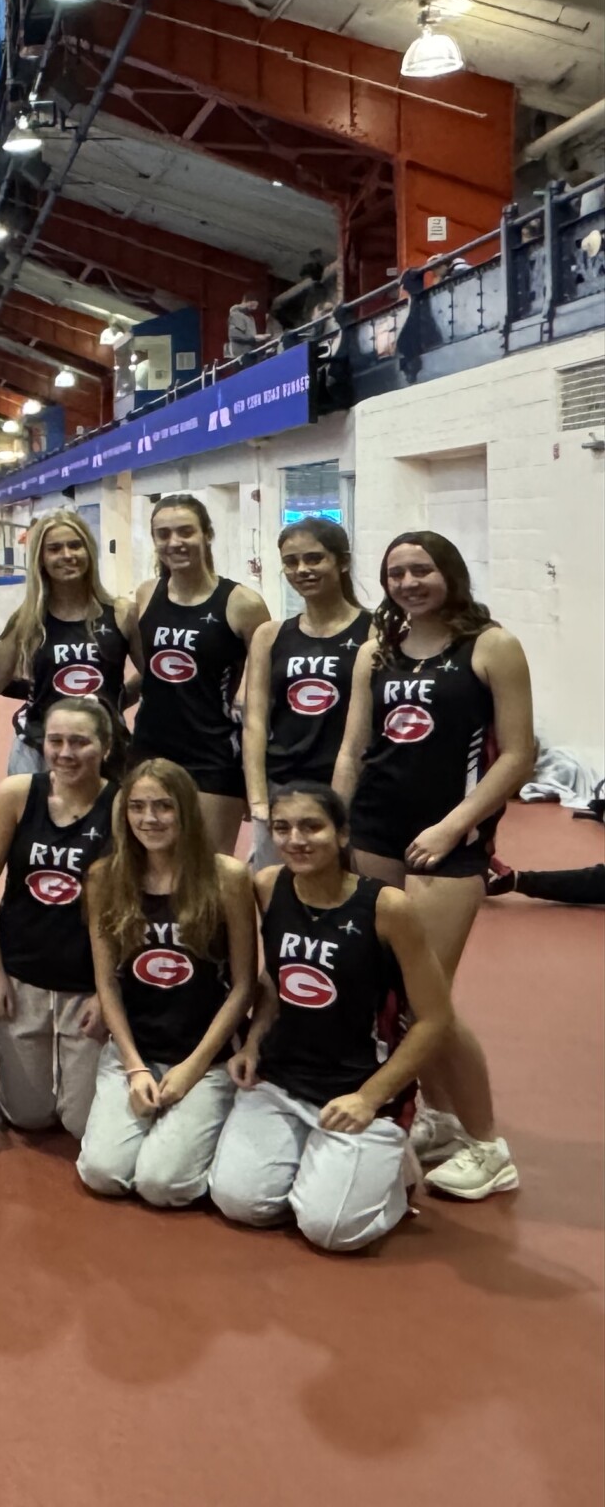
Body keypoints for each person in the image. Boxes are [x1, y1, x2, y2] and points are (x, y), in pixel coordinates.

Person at [334, 530, 535, 1201]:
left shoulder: (492, 646)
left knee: (429, 1001)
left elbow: (518, 755)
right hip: (376, 832)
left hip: (448, 841)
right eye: (396, 572)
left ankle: (489, 1147)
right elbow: (354, 748)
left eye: (422, 569)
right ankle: (445, 1122)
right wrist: (336, 824)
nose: (409, 582)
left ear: (449, 572)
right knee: (391, 992)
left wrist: (454, 826)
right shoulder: (376, 652)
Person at [208, 783, 454, 1251]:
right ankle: (323, 1159)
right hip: (282, 1079)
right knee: (240, 1202)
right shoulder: (266, 885)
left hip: (359, 1085)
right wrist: (256, 1041)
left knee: (332, 1231)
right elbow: (277, 978)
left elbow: (435, 1020)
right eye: (282, 827)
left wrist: (368, 1097)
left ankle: (393, 1174)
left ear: (342, 835)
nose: (295, 839)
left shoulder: (387, 908)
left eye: (311, 826)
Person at [76, 760, 259, 1206]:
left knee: (162, 1185)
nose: (149, 819)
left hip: (204, 1057)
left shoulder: (227, 877)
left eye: (163, 806)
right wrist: (134, 1066)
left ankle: (220, 1126)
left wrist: (194, 1068)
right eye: (137, 807)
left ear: (186, 812)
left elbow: (243, 985)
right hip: (136, 1052)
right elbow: (107, 982)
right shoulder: (104, 877)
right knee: (102, 1173)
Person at [0, 696, 119, 1138]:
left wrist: (109, 993)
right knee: (28, 1117)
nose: (66, 753)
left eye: (80, 742)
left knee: (79, 1123)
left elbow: (134, 909)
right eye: (56, 741)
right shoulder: (18, 794)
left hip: (86, 985)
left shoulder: (123, 806)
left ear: (105, 748)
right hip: (21, 976)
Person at [122, 494, 269, 854]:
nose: (174, 542)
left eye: (185, 531)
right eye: (163, 534)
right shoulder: (146, 595)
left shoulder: (242, 604)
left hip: (212, 755)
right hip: (150, 749)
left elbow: (269, 687)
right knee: (150, 866)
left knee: (209, 871)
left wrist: (257, 777)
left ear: (207, 535)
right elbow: (150, 673)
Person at [242, 517, 368, 865]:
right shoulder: (270, 635)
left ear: (342, 561)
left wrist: (339, 806)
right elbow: (254, 722)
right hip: (282, 786)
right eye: (291, 562)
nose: (302, 570)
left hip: (348, 789)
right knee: (276, 895)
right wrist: (257, 801)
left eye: (314, 559)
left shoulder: (373, 633)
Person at [0, 510, 125, 775]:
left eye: (75, 545)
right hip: (38, 747)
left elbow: (152, 675)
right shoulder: (26, 620)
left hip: (102, 746)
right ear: (41, 559)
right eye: (54, 548)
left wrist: (116, 702)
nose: (67, 555)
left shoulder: (122, 613)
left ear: (88, 550)